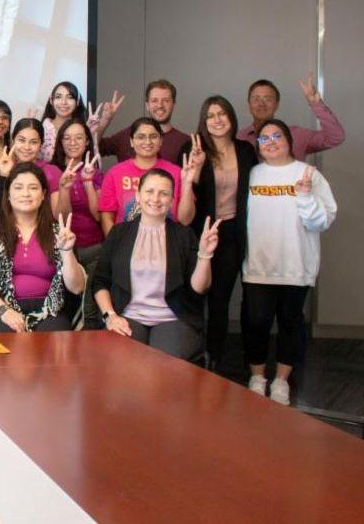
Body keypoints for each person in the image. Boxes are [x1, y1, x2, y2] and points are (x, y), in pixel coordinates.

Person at [242, 119, 337, 405]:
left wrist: (305, 195)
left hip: (296, 266)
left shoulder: (308, 173)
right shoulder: (253, 174)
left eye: (277, 136)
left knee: (290, 324)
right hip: (258, 267)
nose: (271, 142)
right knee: (256, 322)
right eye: (264, 138)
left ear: (288, 140)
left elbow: (322, 221)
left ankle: (281, 380)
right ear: (257, 145)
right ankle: (257, 376)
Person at [91, 170, 219, 359]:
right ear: (138, 195)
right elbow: (100, 281)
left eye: (164, 193)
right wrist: (110, 316)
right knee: (127, 360)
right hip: (127, 316)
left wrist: (205, 255)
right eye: (149, 191)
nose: (156, 198)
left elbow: (199, 288)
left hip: (173, 318)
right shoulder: (119, 233)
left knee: (161, 363)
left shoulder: (184, 235)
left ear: (172, 199)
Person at [181, 96, 258, 369]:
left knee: (220, 300)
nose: (217, 120)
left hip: (232, 234)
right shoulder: (192, 148)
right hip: (198, 234)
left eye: (222, 113)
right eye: (211, 115)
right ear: (204, 121)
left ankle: (215, 359)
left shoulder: (246, 150)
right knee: (193, 297)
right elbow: (187, 192)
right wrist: (199, 166)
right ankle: (191, 355)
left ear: (231, 117)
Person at [0, 163, 85, 332]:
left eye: (33, 188)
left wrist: (67, 251)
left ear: (43, 195)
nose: (25, 194)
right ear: (9, 195)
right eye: (18, 187)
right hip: (1, 307)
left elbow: (77, 287)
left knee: (55, 346)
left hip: (51, 311)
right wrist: (3, 311)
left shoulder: (60, 232)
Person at [50, 119, 104, 328]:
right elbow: (59, 216)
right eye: (67, 137)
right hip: (64, 250)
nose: (73, 142)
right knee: (67, 308)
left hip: (94, 249)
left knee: (90, 308)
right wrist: (64, 187)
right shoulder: (54, 172)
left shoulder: (97, 173)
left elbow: (99, 215)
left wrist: (88, 181)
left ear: (88, 142)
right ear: (60, 142)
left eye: (79, 137)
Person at [97, 118, 187, 234]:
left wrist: (188, 182)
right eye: (141, 137)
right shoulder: (115, 173)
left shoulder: (176, 172)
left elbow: (185, 219)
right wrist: (116, 245)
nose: (148, 142)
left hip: (167, 243)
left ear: (160, 141)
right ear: (131, 141)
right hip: (126, 244)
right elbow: (106, 215)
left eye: (153, 136)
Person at [238, 75, 345, 159]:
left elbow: (335, 137)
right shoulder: (238, 138)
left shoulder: (297, 135)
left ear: (277, 104)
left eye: (268, 99)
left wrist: (316, 104)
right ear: (249, 104)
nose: (261, 104)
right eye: (256, 99)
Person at [98, 80, 189, 164]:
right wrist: (105, 120)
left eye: (166, 100)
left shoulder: (185, 142)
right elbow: (92, 148)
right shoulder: (129, 134)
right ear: (147, 105)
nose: (160, 105)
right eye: (154, 100)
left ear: (173, 104)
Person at [0, 118, 62, 207]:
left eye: (33, 142)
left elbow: (59, 215)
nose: (27, 147)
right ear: (13, 140)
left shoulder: (52, 172)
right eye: (21, 140)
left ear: (41, 144)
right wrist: (4, 175)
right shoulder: (3, 168)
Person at [40, 82, 103, 162]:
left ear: (77, 102)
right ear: (51, 101)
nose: (63, 102)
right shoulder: (41, 129)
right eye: (58, 97)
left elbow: (94, 164)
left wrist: (89, 133)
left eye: (70, 97)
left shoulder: (83, 129)